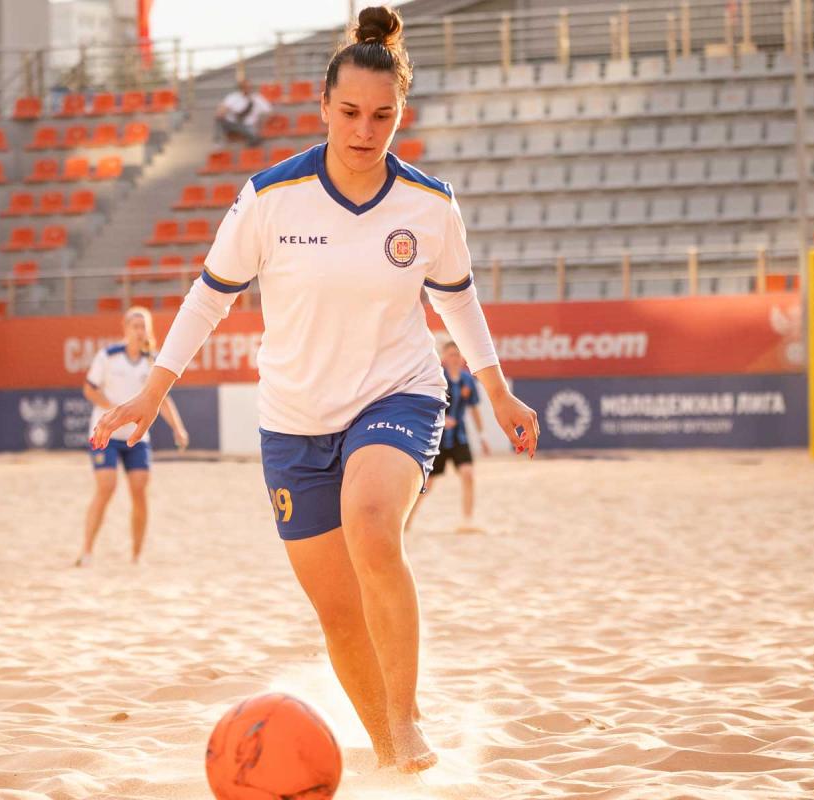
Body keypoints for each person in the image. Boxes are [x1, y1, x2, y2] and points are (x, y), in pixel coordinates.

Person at [92, 5, 538, 773]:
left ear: (401, 114)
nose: (366, 129)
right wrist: (153, 391)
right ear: (322, 105)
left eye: (383, 115)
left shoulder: (430, 205)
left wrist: (497, 390)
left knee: (372, 525)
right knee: (338, 610)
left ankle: (407, 721)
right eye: (351, 112)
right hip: (293, 420)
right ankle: (391, 751)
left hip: (397, 394)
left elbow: (458, 301)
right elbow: (209, 297)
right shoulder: (270, 197)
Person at [78, 306, 189, 567]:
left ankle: (136, 556)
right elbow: (90, 390)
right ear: (125, 329)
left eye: (144, 327)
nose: (140, 331)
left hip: (136, 437)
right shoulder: (108, 356)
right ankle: (87, 551)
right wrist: (115, 412)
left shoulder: (154, 361)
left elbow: (161, 399)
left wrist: (177, 428)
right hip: (105, 433)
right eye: (135, 326)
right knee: (106, 487)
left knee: (139, 489)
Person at [407, 340, 491, 533]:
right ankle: (407, 520)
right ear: (444, 358)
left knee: (468, 474)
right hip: (437, 439)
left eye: (457, 355)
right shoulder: (436, 378)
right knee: (427, 484)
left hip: (460, 437)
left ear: (462, 358)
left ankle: (467, 521)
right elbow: (424, 406)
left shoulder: (468, 380)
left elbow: (474, 409)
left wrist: (483, 436)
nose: (454, 358)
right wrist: (442, 420)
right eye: (451, 355)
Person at [214, 78, 272, 147]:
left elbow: (269, 111)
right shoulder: (233, 97)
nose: (247, 89)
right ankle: (219, 141)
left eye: (249, 87)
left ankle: (249, 147)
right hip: (232, 123)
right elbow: (221, 110)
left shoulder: (258, 98)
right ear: (240, 88)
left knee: (255, 136)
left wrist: (260, 121)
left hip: (248, 125)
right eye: (244, 87)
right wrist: (222, 111)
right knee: (218, 119)